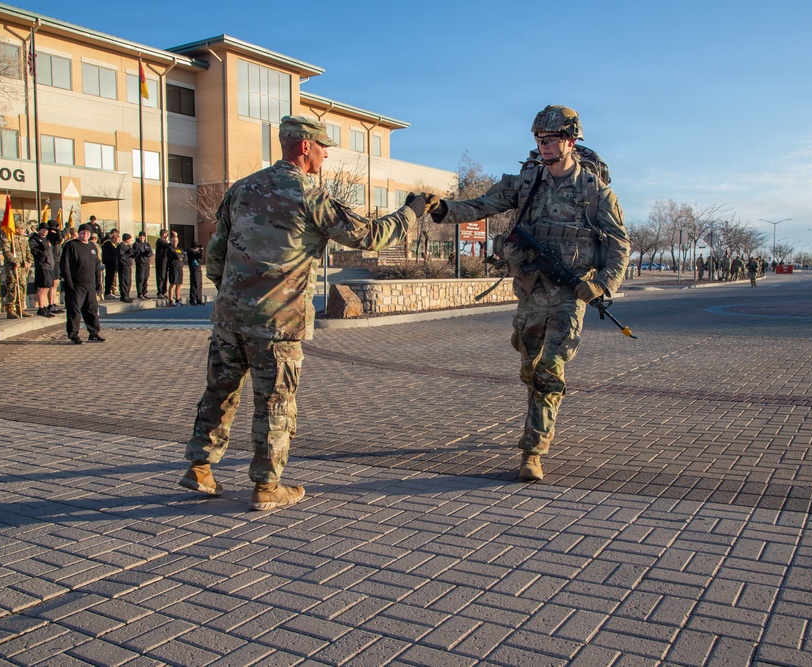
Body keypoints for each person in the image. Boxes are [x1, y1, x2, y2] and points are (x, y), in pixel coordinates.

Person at [179, 115, 428, 511]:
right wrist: (411, 213)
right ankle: (266, 487)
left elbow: (216, 254)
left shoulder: (243, 189)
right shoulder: (309, 196)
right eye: (323, 146)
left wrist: (231, 294)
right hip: (277, 324)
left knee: (220, 391)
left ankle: (200, 468)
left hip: (229, 319)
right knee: (275, 403)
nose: (326, 154)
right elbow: (368, 236)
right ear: (304, 147)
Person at [430, 105, 630, 482]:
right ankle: (535, 396)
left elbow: (620, 244)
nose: (544, 145)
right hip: (530, 290)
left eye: (551, 139)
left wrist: (602, 283)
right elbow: (481, 206)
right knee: (529, 364)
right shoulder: (525, 182)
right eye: (540, 139)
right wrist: (442, 208)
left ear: (570, 141)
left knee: (549, 371)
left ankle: (532, 451)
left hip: (570, 295)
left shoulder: (595, 192)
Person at [60, 223, 104, 344]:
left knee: (91, 310)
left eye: (87, 233)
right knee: (74, 310)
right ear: (79, 233)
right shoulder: (71, 245)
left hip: (90, 284)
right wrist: (68, 281)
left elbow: (97, 266)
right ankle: (73, 335)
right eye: (83, 232)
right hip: (76, 284)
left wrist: (98, 282)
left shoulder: (92, 247)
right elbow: (65, 265)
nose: (85, 234)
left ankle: (94, 333)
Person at [1, 220, 32, 319]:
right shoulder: (9, 238)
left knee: (22, 286)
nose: (24, 230)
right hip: (12, 267)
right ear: (17, 229)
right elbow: (6, 252)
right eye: (22, 229)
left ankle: (20, 308)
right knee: (12, 286)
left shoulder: (24, 239)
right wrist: (14, 261)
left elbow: (28, 251)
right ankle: (10, 309)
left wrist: (29, 261)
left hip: (22, 267)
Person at [28, 222, 56, 317]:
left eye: (47, 230)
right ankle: (41, 308)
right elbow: (34, 250)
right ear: (39, 229)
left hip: (49, 266)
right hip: (42, 266)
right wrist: (41, 249)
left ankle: (44, 307)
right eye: (43, 229)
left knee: (47, 288)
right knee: (42, 288)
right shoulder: (34, 239)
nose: (45, 231)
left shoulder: (46, 239)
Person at [46, 224, 65, 314]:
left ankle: (54, 303)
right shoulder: (50, 236)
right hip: (52, 262)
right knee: (53, 284)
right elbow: (60, 238)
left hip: (57, 261)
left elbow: (61, 237)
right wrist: (57, 231)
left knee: (56, 283)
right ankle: (51, 304)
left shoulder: (55, 236)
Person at [165, 233, 185, 306]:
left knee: (179, 284)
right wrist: (180, 256)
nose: (175, 242)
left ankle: (177, 299)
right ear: (171, 241)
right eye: (173, 241)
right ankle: (170, 301)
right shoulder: (170, 249)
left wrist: (181, 257)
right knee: (173, 284)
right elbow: (175, 256)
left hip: (180, 268)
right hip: (173, 268)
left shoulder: (179, 249)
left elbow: (184, 256)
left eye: (176, 241)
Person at [133, 231, 152, 299]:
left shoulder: (147, 244)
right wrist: (142, 253)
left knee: (146, 278)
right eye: (141, 236)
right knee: (140, 278)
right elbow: (137, 252)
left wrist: (147, 253)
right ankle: (139, 293)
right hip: (140, 262)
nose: (142, 238)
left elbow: (150, 253)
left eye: (143, 236)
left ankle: (144, 292)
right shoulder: (136, 244)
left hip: (146, 263)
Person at [101, 229, 120, 298]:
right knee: (109, 277)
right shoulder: (108, 241)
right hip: (109, 260)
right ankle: (107, 292)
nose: (117, 237)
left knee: (111, 277)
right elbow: (112, 251)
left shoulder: (109, 241)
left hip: (111, 261)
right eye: (116, 235)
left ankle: (109, 291)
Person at [117, 233, 136, 302]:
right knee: (124, 280)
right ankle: (124, 296)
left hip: (128, 265)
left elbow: (131, 254)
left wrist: (133, 253)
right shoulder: (120, 246)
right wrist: (128, 253)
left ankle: (127, 295)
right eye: (129, 239)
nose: (130, 240)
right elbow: (122, 256)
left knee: (128, 280)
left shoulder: (128, 246)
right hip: (123, 265)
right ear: (126, 239)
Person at [154, 229, 170, 298]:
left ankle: (164, 291)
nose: (167, 235)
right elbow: (167, 245)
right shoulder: (159, 241)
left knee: (165, 277)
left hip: (165, 261)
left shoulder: (164, 241)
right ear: (163, 234)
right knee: (161, 276)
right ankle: (160, 291)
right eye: (166, 234)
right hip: (161, 261)